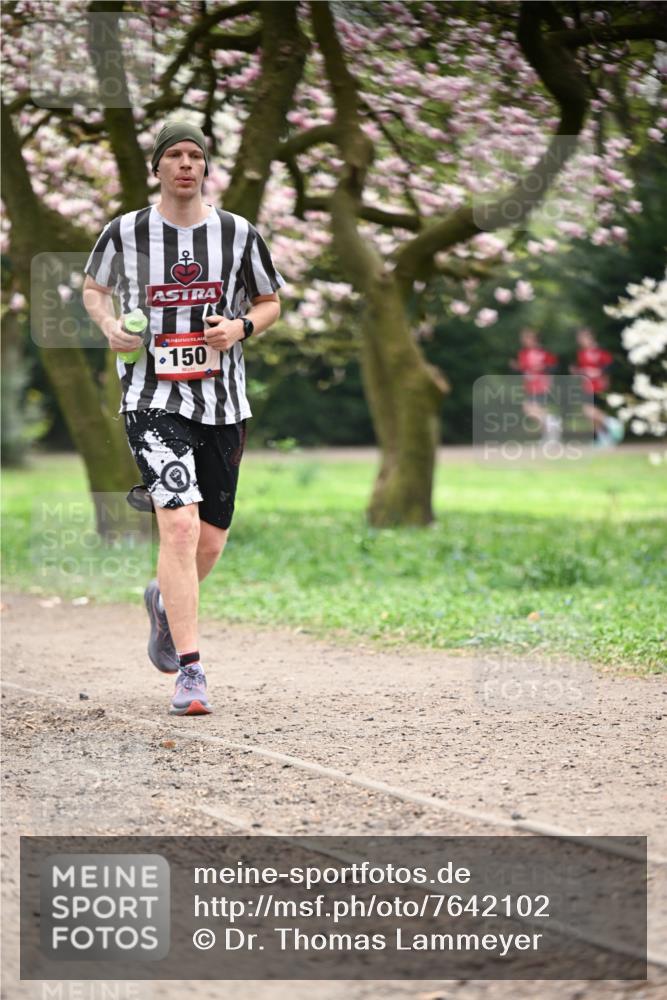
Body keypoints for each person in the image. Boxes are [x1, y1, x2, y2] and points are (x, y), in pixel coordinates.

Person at [83, 121, 284, 716]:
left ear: (206, 167)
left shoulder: (237, 233)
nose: (186, 164)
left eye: (196, 155)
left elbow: (270, 302)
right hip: (151, 399)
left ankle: (163, 602)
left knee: (211, 539)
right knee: (179, 526)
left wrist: (240, 327)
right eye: (174, 154)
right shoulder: (126, 231)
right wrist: (109, 325)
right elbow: (94, 288)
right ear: (158, 167)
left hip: (224, 403)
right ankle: (190, 672)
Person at [570, 328, 624, 447]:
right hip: (586, 385)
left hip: (597, 385)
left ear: (590, 337)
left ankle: (612, 423)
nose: (580, 341)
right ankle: (604, 438)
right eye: (579, 339)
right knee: (591, 415)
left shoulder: (600, 351)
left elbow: (609, 366)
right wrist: (578, 372)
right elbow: (581, 370)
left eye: (582, 338)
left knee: (588, 410)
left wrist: (601, 375)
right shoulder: (581, 353)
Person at [510, 328, 562, 444]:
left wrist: (545, 372)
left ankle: (552, 425)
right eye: (523, 338)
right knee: (537, 411)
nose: (523, 341)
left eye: (526, 338)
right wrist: (516, 367)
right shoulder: (523, 353)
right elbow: (525, 370)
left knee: (529, 408)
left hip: (541, 384)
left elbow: (553, 367)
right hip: (529, 385)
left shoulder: (543, 352)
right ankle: (549, 435)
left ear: (534, 339)